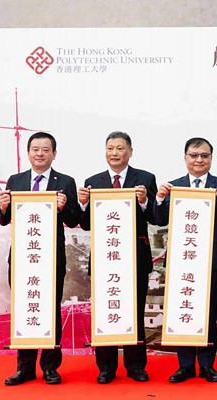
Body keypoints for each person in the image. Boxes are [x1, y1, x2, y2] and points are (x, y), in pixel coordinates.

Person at [0, 132, 79, 386]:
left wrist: (65, 207)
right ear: (29, 152)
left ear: (54, 153)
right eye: (35, 149)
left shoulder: (65, 181)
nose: (40, 154)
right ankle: (25, 368)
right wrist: (2, 207)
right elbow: (3, 218)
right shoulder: (16, 180)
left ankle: (50, 367)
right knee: (25, 309)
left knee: (50, 310)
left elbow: (75, 220)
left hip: (51, 259)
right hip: (23, 259)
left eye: (45, 150)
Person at [78, 131, 159, 384]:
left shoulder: (145, 179)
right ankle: (106, 367)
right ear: (105, 152)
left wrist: (145, 201)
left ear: (130, 151)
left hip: (135, 258)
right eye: (110, 148)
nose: (115, 153)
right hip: (105, 259)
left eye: (120, 148)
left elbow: (157, 217)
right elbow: (85, 224)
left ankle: (136, 366)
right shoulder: (93, 181)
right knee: (106, 311)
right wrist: (83, 204)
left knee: (134, 311)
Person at [153, 137, 217, 383]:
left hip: (211, 259)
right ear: (185, 157)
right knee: (183, 310)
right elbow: (158, 219)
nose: (199, 160)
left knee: (208, 312)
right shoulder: (174, 186)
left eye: (204, 155)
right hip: (182, 260)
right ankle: (185, 366)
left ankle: (208, 365)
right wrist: (159, 199)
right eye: (194, 155)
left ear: (211, 158)